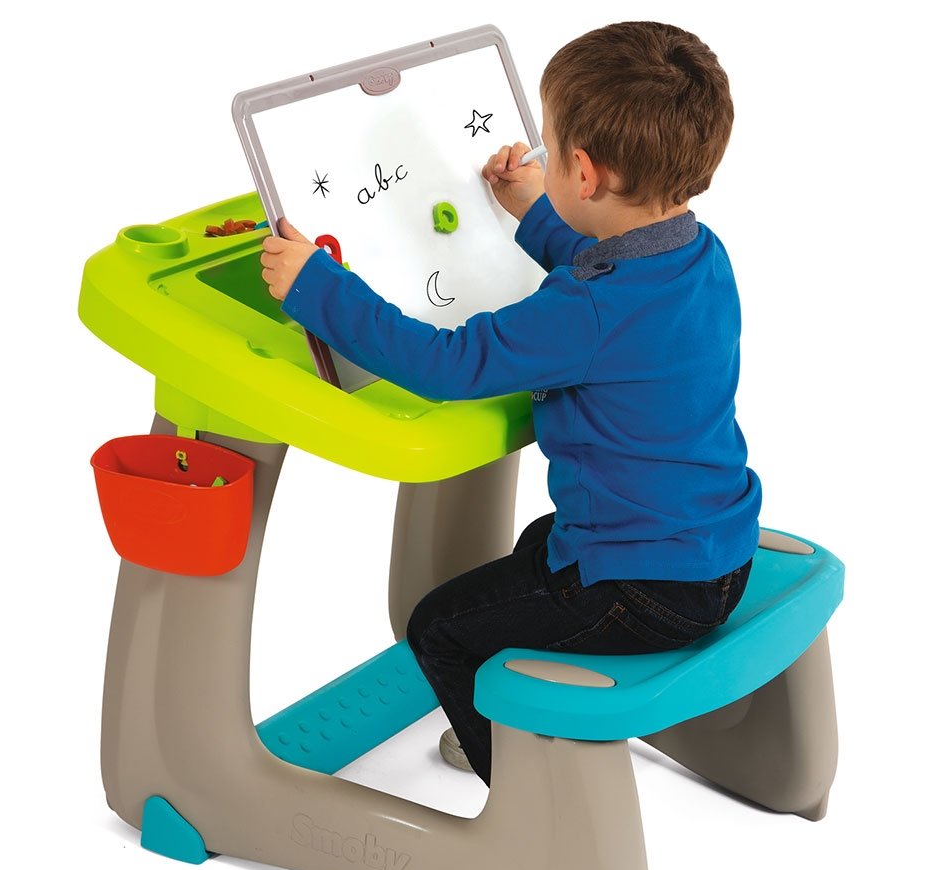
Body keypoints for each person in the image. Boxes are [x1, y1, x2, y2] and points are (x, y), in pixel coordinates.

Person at [260, 21, 761, 786]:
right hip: (720, 559)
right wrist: (534, 211)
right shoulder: (700, 254)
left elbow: (445, 364)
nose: (542, 160)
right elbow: (607, 268)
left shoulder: (584, 312)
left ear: (584, 173)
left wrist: (318, 288)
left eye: (550, 151)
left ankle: (519, 784)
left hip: (642, 591)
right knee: (535, 544)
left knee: (439, 628)